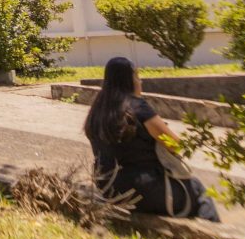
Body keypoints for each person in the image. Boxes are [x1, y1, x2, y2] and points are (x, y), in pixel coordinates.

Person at [84, 56, 221, 222]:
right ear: (131, 79)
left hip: (109, 189)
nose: (140, 82)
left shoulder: (97, 111)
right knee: (198, 189)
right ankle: (213, 233)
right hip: (143, 189)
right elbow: (174, 144)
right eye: (138, 77)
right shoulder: (137, 107)